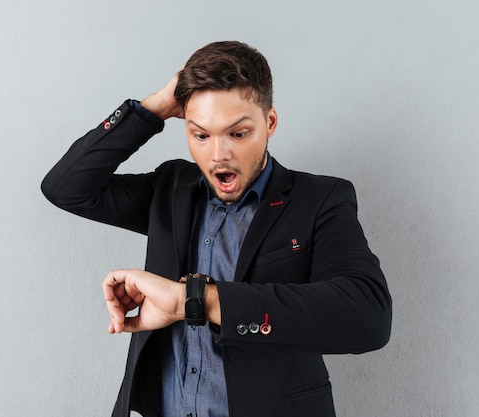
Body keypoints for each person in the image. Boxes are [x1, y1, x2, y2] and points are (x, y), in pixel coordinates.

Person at [42, 41, 392, 417]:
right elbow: (66, 188)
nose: (218, 154)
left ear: (269, 122)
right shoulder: (171, 188)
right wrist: (153, 108)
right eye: (201, 135)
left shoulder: (318, 200)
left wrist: (194, 300)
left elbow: (368, 316)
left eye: (238, 134)